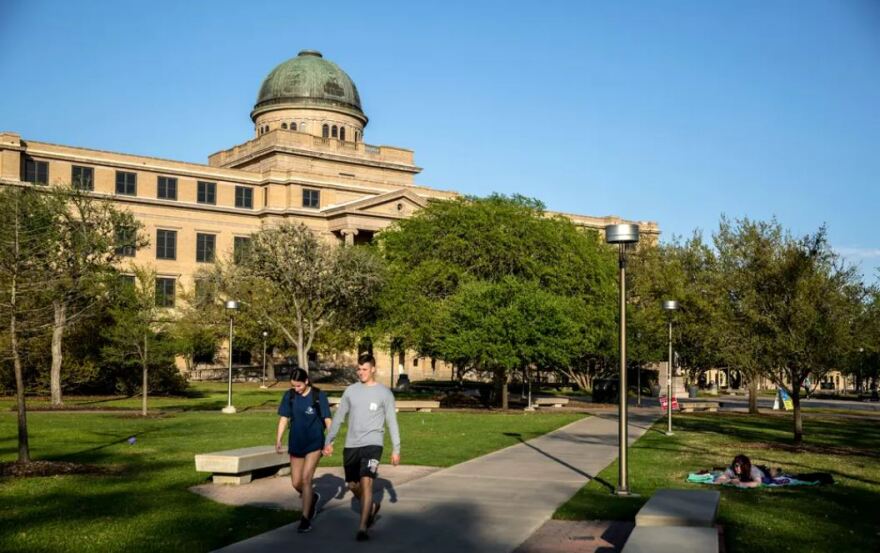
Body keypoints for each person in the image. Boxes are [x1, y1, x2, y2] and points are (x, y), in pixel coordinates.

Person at [323, 354, 401, 542]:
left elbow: (392, 422)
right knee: (352, 484)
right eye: (359, 369)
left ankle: (363, 527)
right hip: (352, 444)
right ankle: (372, 506)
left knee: (366, 481)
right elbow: (340, 417)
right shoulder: (351, 391)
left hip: (374, 444)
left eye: (364, 369)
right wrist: (329, 441)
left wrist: (396, 448)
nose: (361, 373)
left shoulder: (384, 393)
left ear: (373, 369)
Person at [275, 367, 332, 534]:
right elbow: (284, 418)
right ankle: (312, 497)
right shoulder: (290, 396)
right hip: (296, 442)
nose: (296, 389)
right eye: (294, 386)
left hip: (314, 442)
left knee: (307, 479)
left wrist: (329, 442)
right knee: (296, 482)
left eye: (299, 386)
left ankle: (305, 518)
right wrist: (278, 439)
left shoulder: (318, 396)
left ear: (306, 381)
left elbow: (327, 420)